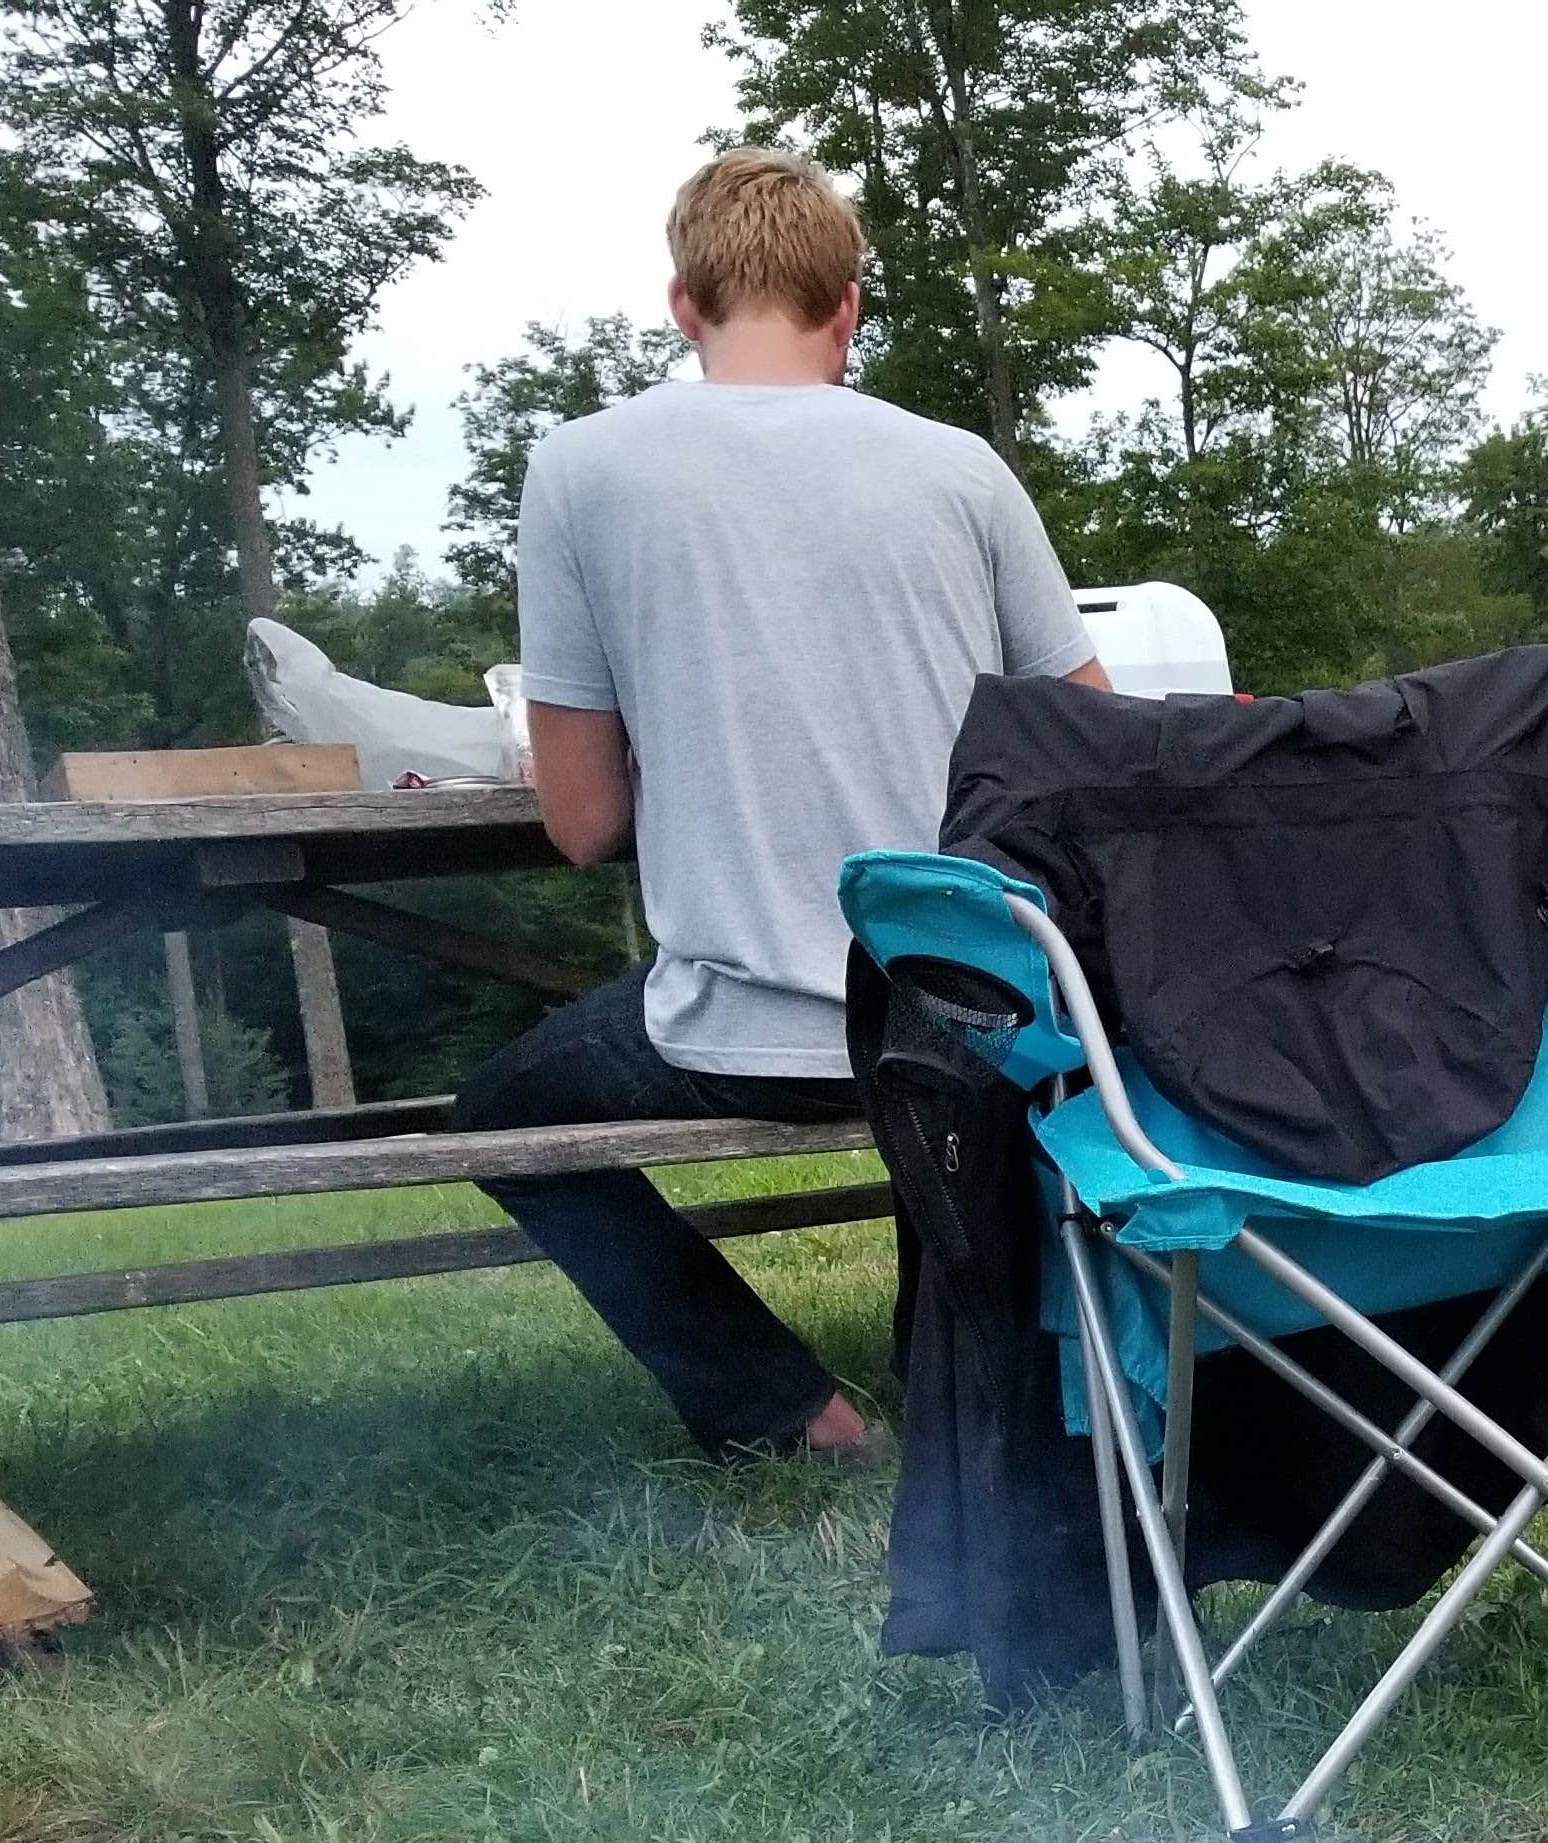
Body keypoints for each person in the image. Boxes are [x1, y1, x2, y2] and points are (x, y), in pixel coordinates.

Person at [452, 147, 1108, 1456]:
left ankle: (786, 1408)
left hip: (734, 1022)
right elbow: (1095, 742)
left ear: (684, 306)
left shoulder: (583, 467)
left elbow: (579, 824)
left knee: (507, 1117)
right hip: (966, 1016)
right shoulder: (963, 468)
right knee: (952, 1069)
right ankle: (960, 1400)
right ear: (848, 308)